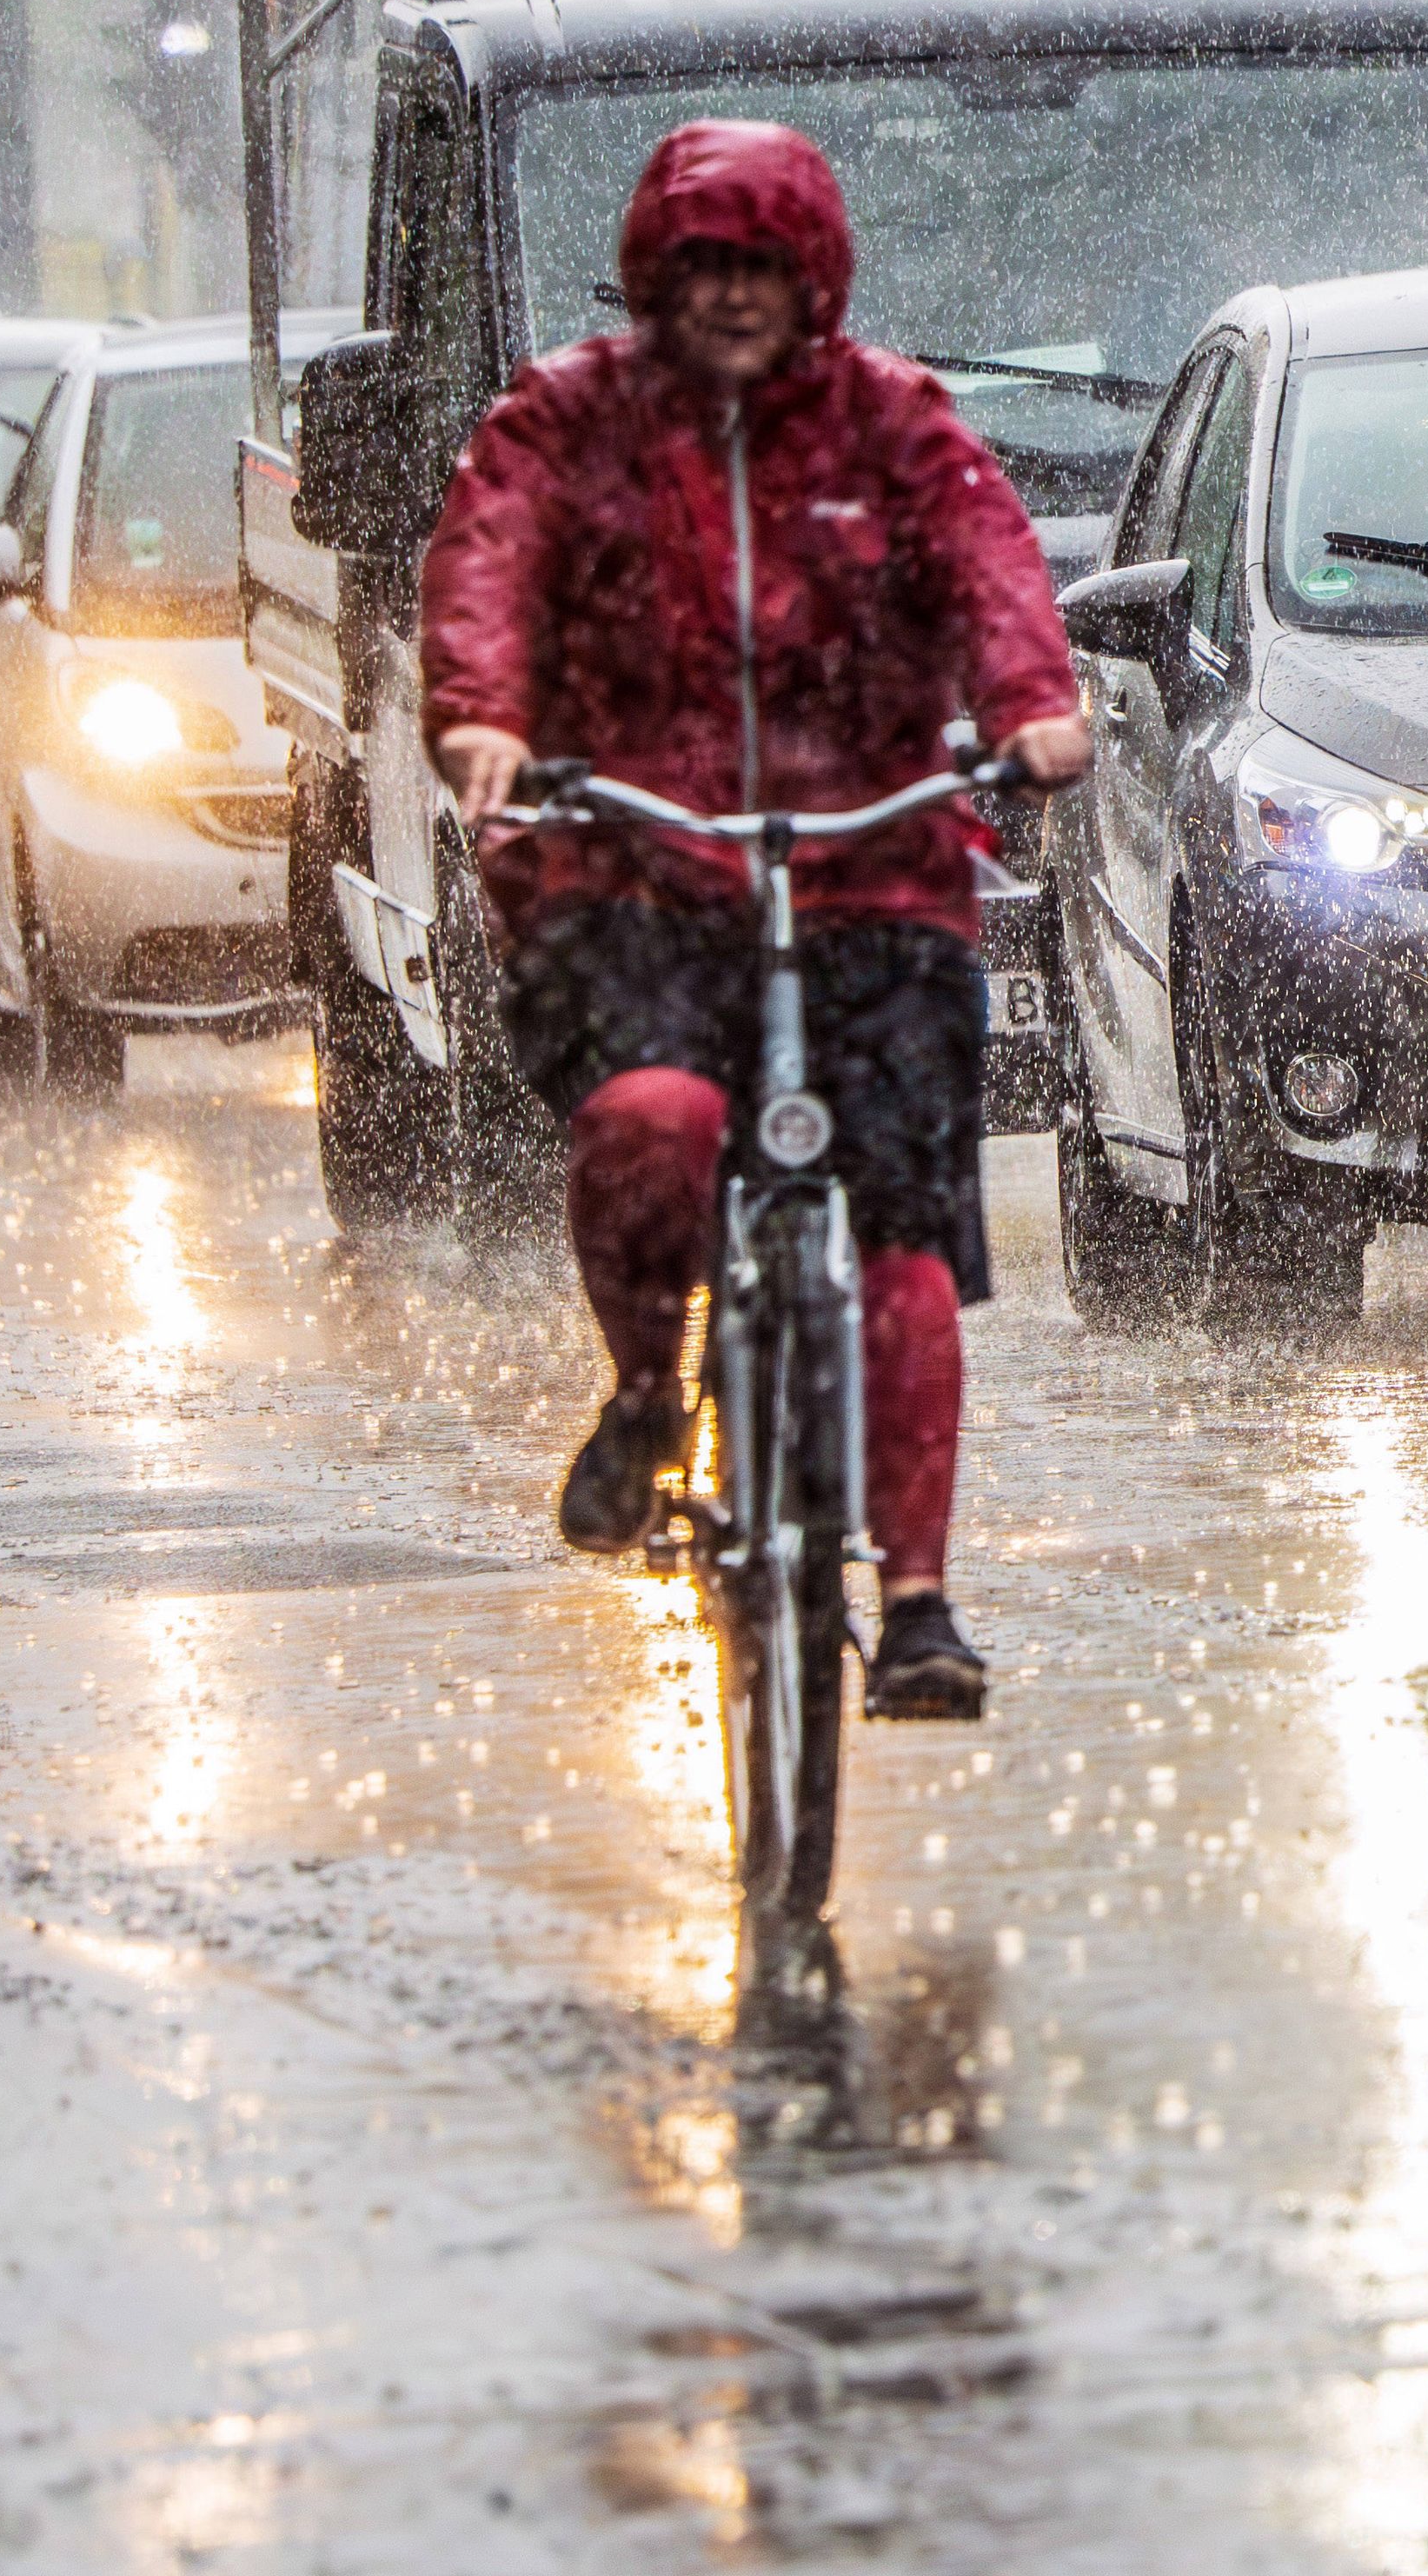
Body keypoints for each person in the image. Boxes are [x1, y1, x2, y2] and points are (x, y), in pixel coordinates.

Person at [418, 120, 1086, 1720]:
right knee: (652, 1122)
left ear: (815, 283)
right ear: (657, 277)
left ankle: (916, 1596)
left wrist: (1035, 707)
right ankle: (650, 1391)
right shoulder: (566, 423)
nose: (731, 299)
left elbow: (993, 569)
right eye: (703, 267)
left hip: (876, 874)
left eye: (762, 270)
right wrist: (485, 723)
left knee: (909, 1250)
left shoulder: (895, 425)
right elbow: (488, 570)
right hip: (637, 874)